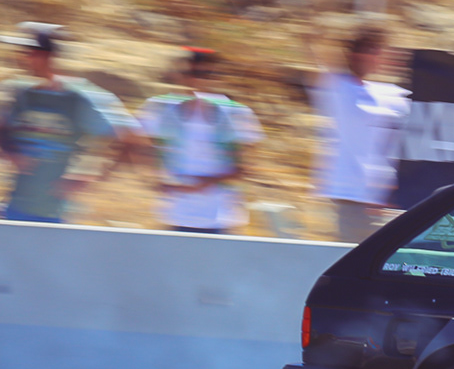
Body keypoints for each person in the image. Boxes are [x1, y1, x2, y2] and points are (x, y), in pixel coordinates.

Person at [0, 23, 137, 223]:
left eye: (28, 53)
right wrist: (12, 153)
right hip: (16, 207)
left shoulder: (78, 97)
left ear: (46, 56)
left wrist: (85, 179)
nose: (20, 58)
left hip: (55, 213)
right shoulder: (16, 92)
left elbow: (129, 139)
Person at [136, 48, 264, 234]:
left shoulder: (236, 112)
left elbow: (246, 166)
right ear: (179, 73)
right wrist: (154, 178)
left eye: (206, 74)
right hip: (174, 213)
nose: (197, 80)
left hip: (221, 215)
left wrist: (204, 183)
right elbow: (136, 146)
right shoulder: (159, 107)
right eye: (192, 73)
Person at [310, 23, 411, 243]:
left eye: (375, 52)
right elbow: (316, 46)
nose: (370, 57)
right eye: (365, 50)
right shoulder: (336, 87)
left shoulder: (388, 94)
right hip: (351, 195)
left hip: (381, 198)